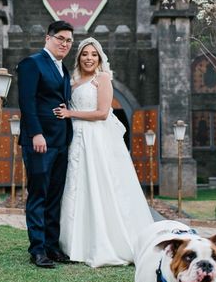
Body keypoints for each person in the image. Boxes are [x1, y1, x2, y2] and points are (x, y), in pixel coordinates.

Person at [54, 37, 154, 267]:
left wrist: (70, 114)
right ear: (79, 57)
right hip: (75, 138)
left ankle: (103, 242)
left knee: (98, 186)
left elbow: (101, 113)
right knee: (75, 187)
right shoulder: (73, 81)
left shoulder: (103, 79)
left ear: (99, 58)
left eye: (94, 54)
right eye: (85, 54)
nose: (89, 58)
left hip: (95, 138)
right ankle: (73, 244)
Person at [17, 20, 75, 269]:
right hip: (40, 141)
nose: (65, 44)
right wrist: (36, 134)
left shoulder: (64, 69)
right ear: (47, 38)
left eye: (69, 41)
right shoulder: (32, 63)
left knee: (54, 196)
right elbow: (27, 102)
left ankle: (52, 246)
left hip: (61, 141)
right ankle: (37, 250)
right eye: (60, 38)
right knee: (39, 194)